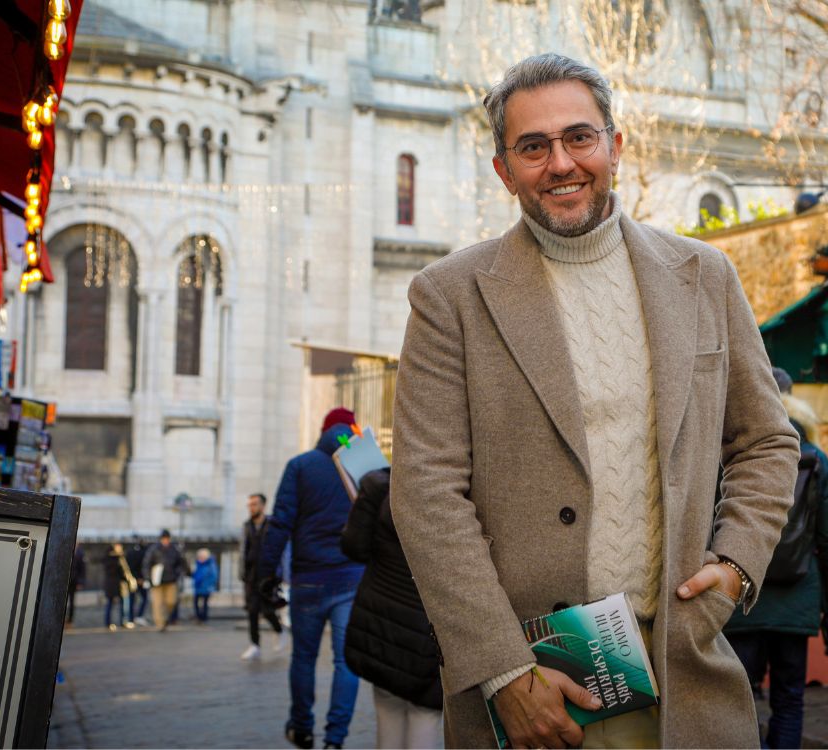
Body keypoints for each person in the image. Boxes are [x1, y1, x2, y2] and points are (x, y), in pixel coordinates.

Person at [388, 53, 799, 749]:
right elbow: (427, 492)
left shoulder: (704, 277)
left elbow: (765, 439)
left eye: (579, 137)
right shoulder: (448, 295)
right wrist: (503, 672)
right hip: (533, 689)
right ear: (503, 169)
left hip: (681, 665)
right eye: (532, 147)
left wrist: (734, 567)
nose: (560, 163)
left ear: (614, 144)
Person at [723, 368, 828, 749]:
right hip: (797, 601)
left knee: (737, 704)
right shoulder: (815, 459)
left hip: (740, 598)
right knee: (789, 700)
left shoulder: (731, 456)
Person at [259, 408, 368, 750]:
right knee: (346, 661)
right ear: (351, 433)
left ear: (321, 431)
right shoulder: (362, 467)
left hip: (308, 579)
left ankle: (302, 727)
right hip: (351, 579)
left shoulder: (300, 466)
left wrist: (265, 573)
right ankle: (335, 739)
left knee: (303, 658)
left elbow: (280, 524)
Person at [340, 468, 443, 749]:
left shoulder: (380, 485)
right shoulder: (455, 490)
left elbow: (354, 547)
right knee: (425, 715)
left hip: (380, 621)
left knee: (388, 710)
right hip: (428, 632)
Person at [241, 492, 286, 661]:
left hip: (268, 576)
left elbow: (280, 549)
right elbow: (243, 550)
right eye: (249, 504)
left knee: (267, 610)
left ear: (262, 506)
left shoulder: (272, 524)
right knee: (252, 611)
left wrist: (281, 574)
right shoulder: (247, 526)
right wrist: (243, 573)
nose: (251, 507)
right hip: (251, 576)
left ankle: (280, 630)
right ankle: (255, 645)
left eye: (254, 504)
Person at [142, 529, 189, 631]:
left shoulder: (174, 549)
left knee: (171, 602)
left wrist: (178, 572)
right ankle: (160, 624)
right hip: (157, 582)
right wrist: (147, 578)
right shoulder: (153, 549)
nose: (165, 541)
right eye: (164, 539)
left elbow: (181, 563)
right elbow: (146, 564)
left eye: (167, 539)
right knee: (157, 604)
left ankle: (166, 617)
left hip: (171, 580)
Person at [102, 542, 138, 631]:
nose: (120, 548)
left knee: (124, 603)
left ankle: (123, 621)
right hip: (112, 584)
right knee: (110, 603)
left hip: (120, 584)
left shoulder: (121, 557)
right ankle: (108, 623)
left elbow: (125, 571)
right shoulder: (111, 557)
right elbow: (117, 571)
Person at [126, 537, 151, 626]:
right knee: (144, 598)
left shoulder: (130, 552)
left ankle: (131, 618)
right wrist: (140, 578)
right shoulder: (142, 553)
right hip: (138, 579)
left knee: (132, 599)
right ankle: (138, 616)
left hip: (131, 579)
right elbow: (142, 566)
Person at [192, 548, 219, 624]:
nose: (201, 558)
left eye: (202, 557)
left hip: (206, 587)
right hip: (198, 587)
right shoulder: (198, 564)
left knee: (204, 603)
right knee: (196, 603)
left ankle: (203, 618)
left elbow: (214, 576)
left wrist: (209, 585)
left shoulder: (211, 565)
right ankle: (199, 616)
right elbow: (196, 575)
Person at [67, 543, 85, 627]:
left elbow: (82, 569)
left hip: (74, 581)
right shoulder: (66, 550)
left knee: (72, 601)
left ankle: (70, 620)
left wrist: (80, 582)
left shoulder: (80, 553)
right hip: (65, 581)